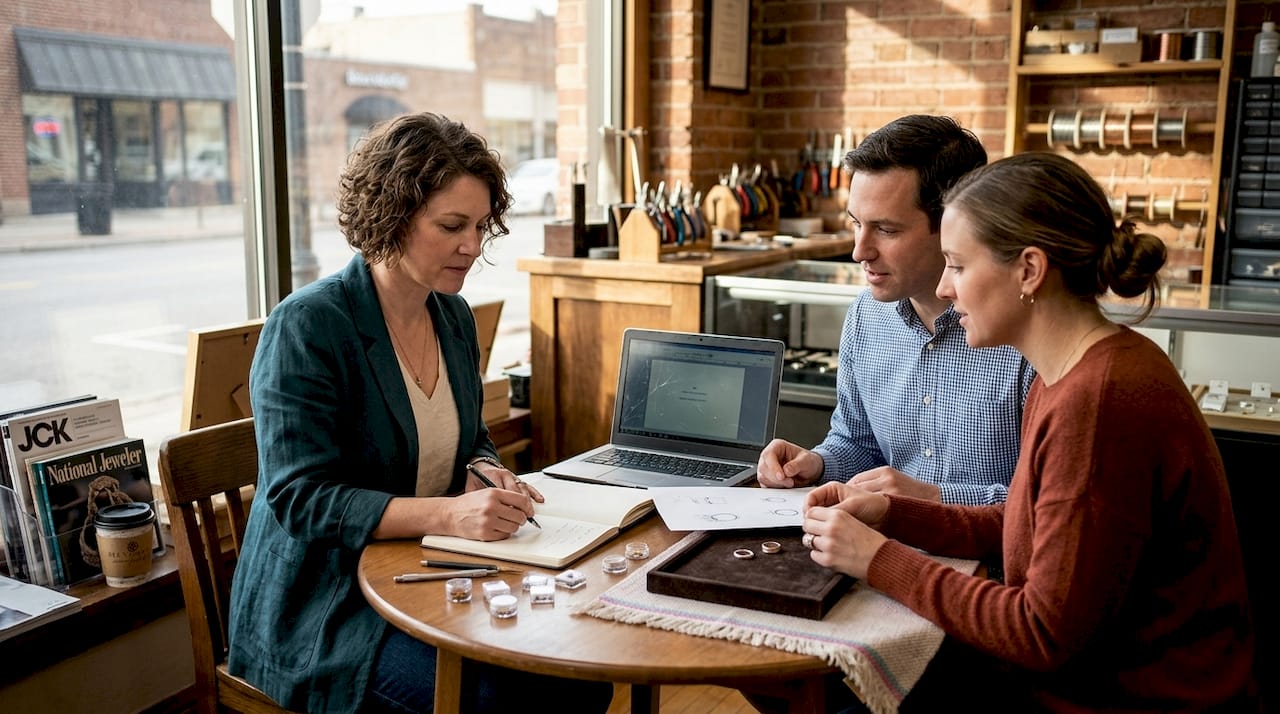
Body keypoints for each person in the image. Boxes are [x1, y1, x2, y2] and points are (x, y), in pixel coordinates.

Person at [802, 152, 1258, 711]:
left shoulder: (1098, 401)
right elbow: (1026, 524)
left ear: (1030, 271)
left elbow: (1042, 635)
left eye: (958, 266)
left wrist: (879, 559)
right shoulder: (1071, 368)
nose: (945, 289)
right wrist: (894, 515)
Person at [226, 113, 614, 713]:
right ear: (391, 215)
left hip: (420, 570)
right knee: (500, 701)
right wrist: (453, 515)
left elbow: (472, 440)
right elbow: (301, 498)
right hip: (327, 607)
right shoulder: (309, 326)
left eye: (481, 226)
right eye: (452, 225)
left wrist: (485, 472)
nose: (472, 245)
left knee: (581, 677)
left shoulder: (451, 317)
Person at [757, 115, 1034, 506]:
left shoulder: (1025, 335)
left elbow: (1045, 504)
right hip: (883, 544)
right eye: (856, 224)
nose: (860, 251)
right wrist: (818, 462)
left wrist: (932, 498)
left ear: (955, 224)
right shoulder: (866, 315)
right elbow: (856, 442)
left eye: (886, 230)